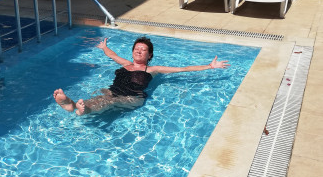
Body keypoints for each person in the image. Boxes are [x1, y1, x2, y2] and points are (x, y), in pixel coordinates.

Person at [53, 36, 230, 116]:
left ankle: (82, 110)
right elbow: (112, 55)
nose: (139, 51)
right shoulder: (125, 64)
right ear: (132, 52)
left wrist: (209, 66)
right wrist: (104, 47)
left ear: (149, 55)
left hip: (133, 98)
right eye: (136, 49)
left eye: (143, 50)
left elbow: (183, 69)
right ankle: (72, 106)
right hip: (114, 93)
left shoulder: (152, 69)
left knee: (109, 101)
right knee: (101, 96)